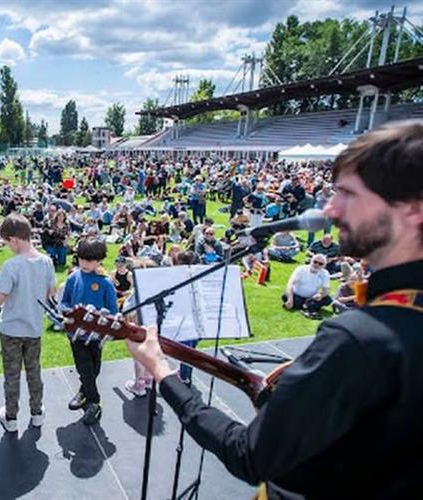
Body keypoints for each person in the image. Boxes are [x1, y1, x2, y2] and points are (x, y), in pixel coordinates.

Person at [125, 121, 423, 499]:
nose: (330, 209)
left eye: (348, 194)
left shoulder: (359, 339)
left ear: (413, 210)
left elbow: (248, 454)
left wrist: (161, 371)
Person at [0, 214, 56, 433]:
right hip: (34, 328)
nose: (7, 247)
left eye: (6, 243)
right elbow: (51, 293)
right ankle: (37, 413)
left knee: (12, 375)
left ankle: (11, 417)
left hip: (11, 330)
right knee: (34, 371)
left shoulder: (11, 265)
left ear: (13, 239)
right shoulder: (46, 261)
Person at [60, 238, 118, 425]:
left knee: (94, 368)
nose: (84, 263)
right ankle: (94, 402)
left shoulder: (105, 283)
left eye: (89, 260)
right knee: (83, 367)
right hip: (76, 334)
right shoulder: (73, 277)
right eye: (81, 259)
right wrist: (68, 311)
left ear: (100, 260)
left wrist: (104, 316)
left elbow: (113, 310)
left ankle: (83, 391)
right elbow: (64, 301)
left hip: (96, 336)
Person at [282, 254, 332, 319]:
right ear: (311, 261)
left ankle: (306, 306)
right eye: (315, 262)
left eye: (320, 264)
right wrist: (290, 299)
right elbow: (290, 284)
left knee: (328, 299)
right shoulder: (301, 269)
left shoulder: (325, 273)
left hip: (312, 298)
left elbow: (326, 289)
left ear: (324, 265)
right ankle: (308, 307)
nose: (317, 265)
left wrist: (321, 295)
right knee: (285, 296)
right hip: (297, 296)